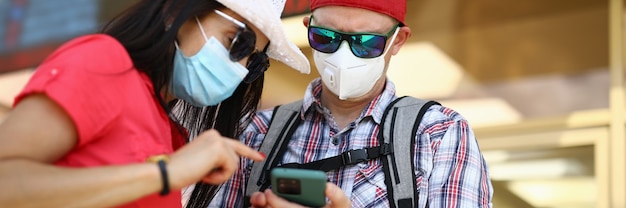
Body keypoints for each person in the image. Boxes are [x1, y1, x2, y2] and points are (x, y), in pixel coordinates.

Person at [0, 0, 311, 207]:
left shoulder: (166, 131)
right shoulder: (105, 63)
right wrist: (164, 173)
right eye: (237, 42)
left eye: (253, 62)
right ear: (175, 12)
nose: (240, 67)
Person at [212, 0, 494, 207]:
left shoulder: (439, 135)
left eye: (366, 43)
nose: (344, 55)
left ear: (398, 41)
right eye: (326, 38)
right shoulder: (257, 132)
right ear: (308, 29)